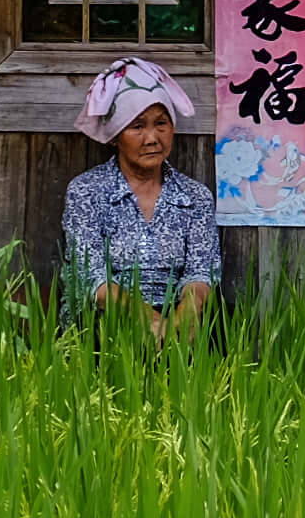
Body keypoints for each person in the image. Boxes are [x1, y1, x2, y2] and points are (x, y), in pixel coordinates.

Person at [60, 57, 220, 336]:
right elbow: (92, 277)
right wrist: (149, 322)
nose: (152, 138)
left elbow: (201, 272)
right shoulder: (86, 191)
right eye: (137, 126)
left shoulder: (196, 197)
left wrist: (178, 323)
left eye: (161, 124)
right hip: (107, 320)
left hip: (179, 322)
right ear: (114, 136)